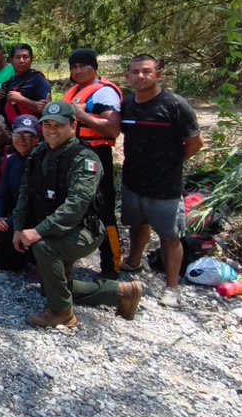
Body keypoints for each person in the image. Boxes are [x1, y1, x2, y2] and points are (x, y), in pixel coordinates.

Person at [12, 102, 143, 328]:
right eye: (48, 125)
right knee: (52, 289)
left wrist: (38, 231)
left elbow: (77, 205)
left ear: (72, 126)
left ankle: (62, 314)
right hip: (55, 226)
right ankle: (122, 292)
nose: (52, 130)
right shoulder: (39, 153)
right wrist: (17, 227)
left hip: (83, 229)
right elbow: (25, 193)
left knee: (44, 247)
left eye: (59, 125)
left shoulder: (85, 158)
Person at [119, 54, 203, 308]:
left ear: (157, 74)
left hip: (165, 185)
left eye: (146, 71)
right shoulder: (127, 104)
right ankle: (133, 262)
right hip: (133, 178)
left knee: (169, 235)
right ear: (128, 77)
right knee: (137, 224)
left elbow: (195, 143)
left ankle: (172, 288)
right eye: (135, 72)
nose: (140, 76)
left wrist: (172, 163)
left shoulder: (175, 105)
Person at [63, 49, 124, 278]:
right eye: (74, 67)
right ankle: (65, 261)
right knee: (71, 205)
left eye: (82, 66)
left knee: (104, 209)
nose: (77, 71)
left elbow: (113, 128)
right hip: (74, 154)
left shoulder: (104, 93)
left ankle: (112, 266)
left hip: (97, 155)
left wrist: (82, 116)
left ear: (94, 67)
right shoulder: (75, 92)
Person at [0, 115, 40, 271]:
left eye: (28, 135)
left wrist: (10, 222)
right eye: (18, 134)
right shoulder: (12, 161)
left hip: (35, 220)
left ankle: (38, 260)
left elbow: (35, 203)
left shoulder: (41, 162)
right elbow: (2, 194)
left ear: (37, 139)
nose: (22, 140)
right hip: (16, 217)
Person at [0, 43, 52, 125]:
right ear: (11, 60)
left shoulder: (38, 80)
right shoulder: (9, 83)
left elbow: (45, 109)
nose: (21, 61)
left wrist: (21, 99)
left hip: (33, 129)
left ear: (31, 60)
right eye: (17, 57)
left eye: (25, 57)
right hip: (13, 129)